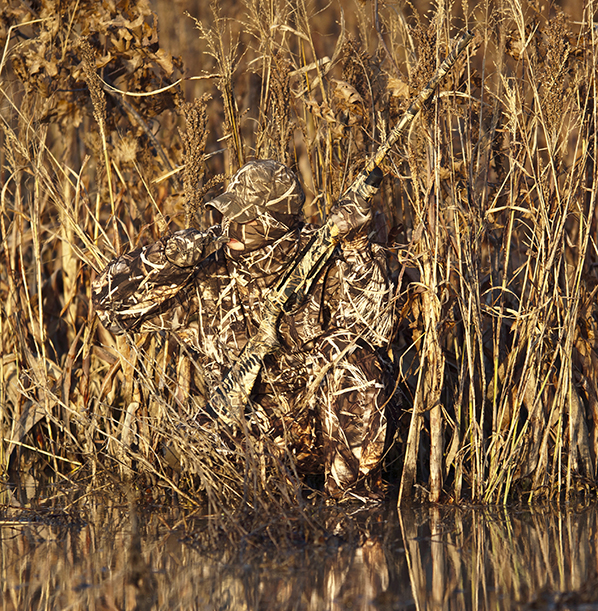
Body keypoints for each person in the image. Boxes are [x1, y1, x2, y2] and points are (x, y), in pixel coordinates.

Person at [92, 159, 397, 496]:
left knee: (356, 363)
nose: (231, 225)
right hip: (246, 438)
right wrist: (168, 258)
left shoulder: (324, 253)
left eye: (245, 216)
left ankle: (351, 505)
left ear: (277, 219)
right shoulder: (208, 273)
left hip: (321, 429)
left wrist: (356, 248)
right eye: (228, 213)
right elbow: (111, 308)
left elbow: (372, 332)